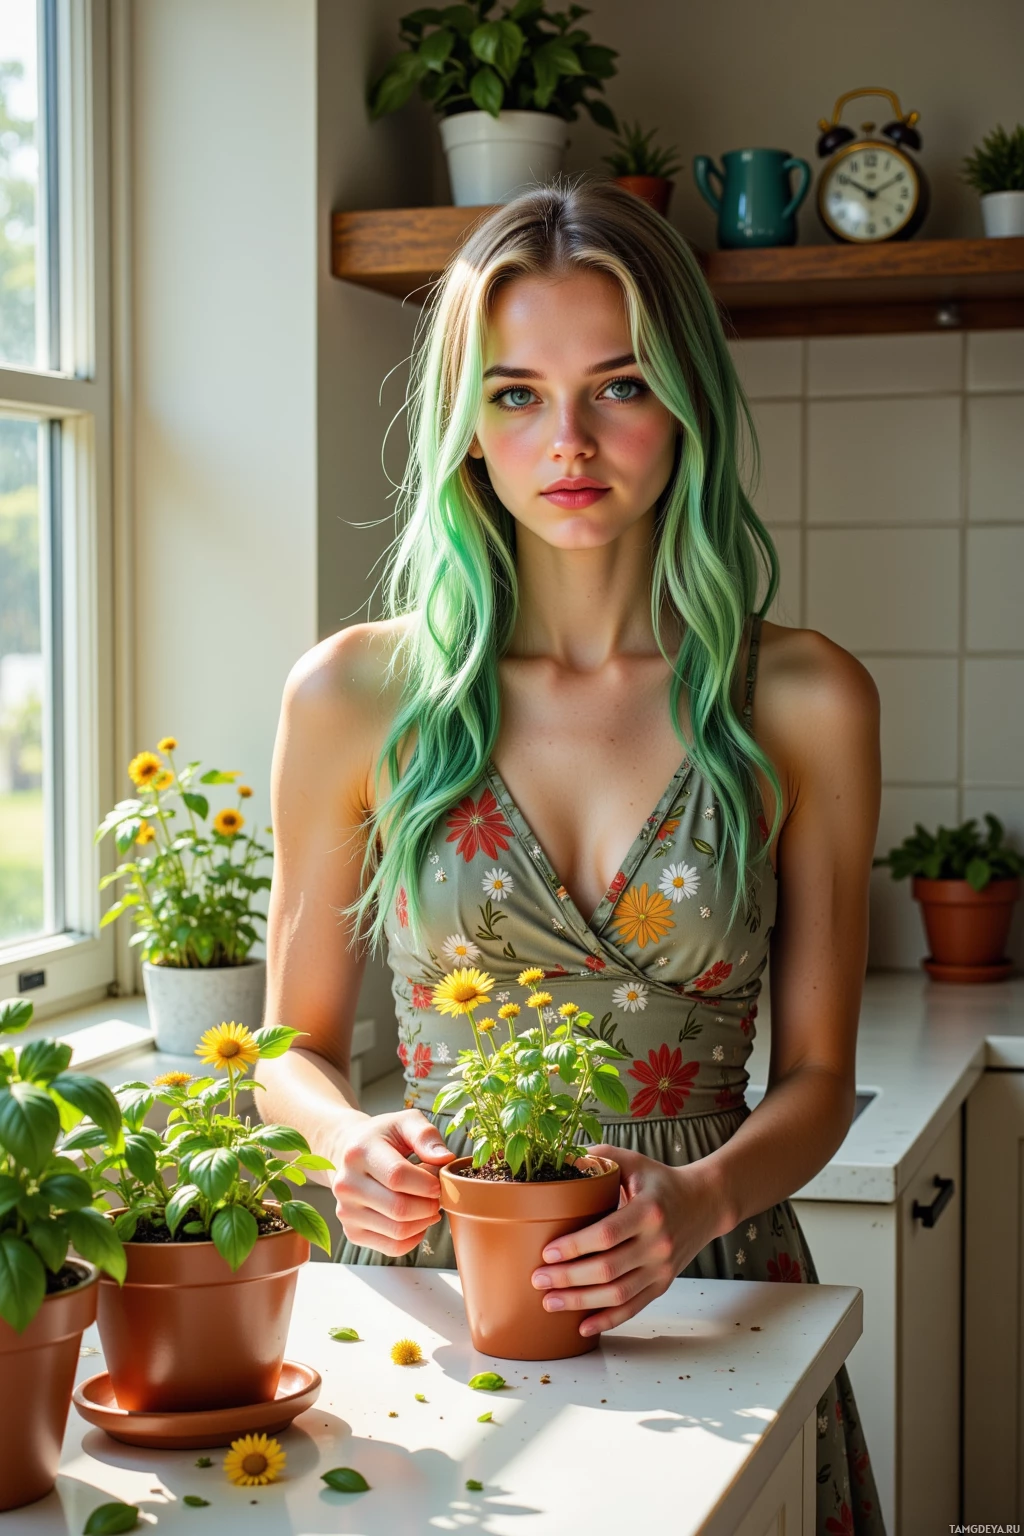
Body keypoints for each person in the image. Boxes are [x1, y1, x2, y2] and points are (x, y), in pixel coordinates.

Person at [258, 180, 884, 1534]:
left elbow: (825, 1078)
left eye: (619, 386)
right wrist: (348, 1139)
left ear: (689, 405)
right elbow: (284, 1052)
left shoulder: (806, 698)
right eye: (517, 394)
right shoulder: (356, 695)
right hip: (434, 1292)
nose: (570, 442)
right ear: (463, 427)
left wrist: (702, 1196)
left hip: (713, 1275)